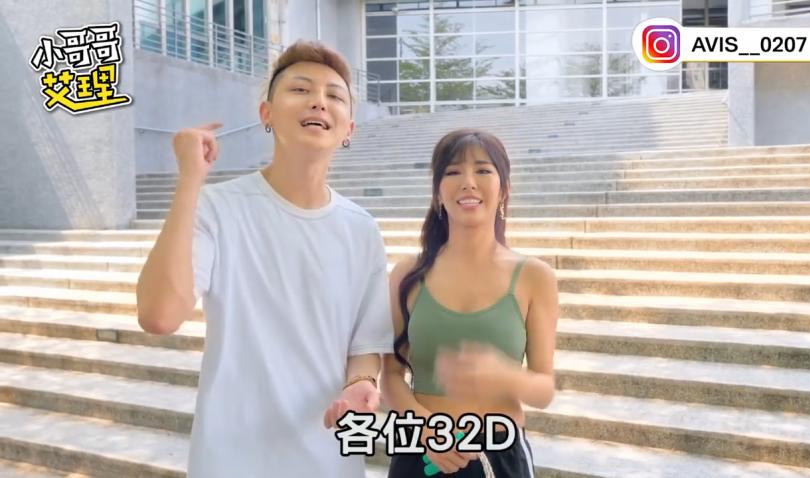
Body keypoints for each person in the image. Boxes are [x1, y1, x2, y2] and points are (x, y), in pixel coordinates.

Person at [136, 40, 394, 477]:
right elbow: (159, 315)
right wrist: (190, 182)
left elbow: (366, 345)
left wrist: (360, 384)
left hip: (329, 458)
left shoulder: (361, 228)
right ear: (266, 114)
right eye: (300, 89)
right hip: (231, 459)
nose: (319, 101)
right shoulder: (218, 207)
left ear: (349, 128)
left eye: (334, 95)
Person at [381, 129, 559, 477]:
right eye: (452, 172)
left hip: (498, 455)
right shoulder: (408, 274)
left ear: (504, 189)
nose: (468, 182)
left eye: (482, 170)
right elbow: (390, 375)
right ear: (437, 191)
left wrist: (504, 376)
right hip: (421, 452)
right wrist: (428, 430)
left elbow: (543, 390)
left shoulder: (535, 276)